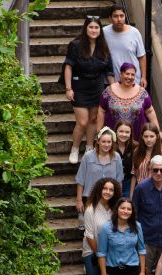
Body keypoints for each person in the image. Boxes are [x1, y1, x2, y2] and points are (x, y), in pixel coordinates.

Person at [58, 16, 112, 164]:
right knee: (82, 122)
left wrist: (113, 91)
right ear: (86, 29)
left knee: (93, 119)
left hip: (97, 87)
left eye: (96, 28)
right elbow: (68, 66)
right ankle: (75, 148)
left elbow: (109, 71)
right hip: (79, 87)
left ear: (100, 30)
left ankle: (89, 148)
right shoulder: (75, 45)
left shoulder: (104, 47)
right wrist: (68, 88)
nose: (94, 30)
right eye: (91, 27)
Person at [132, 155, 162, 275]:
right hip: (147, 240)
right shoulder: (141, 188)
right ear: (150, 169)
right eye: (155, 170)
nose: (158, 173)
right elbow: (134, 214)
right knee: (144, 274)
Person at [82, 177, 121, 275]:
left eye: (111, 189)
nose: (108, 192)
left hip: (109, 251)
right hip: (92, 251)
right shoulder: (91, 208)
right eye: (105, 188)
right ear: (99, 189)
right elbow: (89, 235)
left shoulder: (114, 209)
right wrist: (99, 255)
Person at [96, 62, 162, 142]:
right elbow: (101, 111)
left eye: (132, 75)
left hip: (137, 138)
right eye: (127, 74)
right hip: (113, 140)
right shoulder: (108, 92)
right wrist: (99, 131)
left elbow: (150, 111)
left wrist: (158, 131)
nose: (130, 77)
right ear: (120, 74)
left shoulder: (142, 92)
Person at [75, 127, 123, 229]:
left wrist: (118, 200)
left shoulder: (116, 157)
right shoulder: (88, 156)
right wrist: (79, 200)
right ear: (98, 142)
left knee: (107, 227)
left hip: (110, 198)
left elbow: (119, 180)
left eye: (109, 142)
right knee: (90, 228)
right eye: (104, 141)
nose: (106, 145)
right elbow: (80, 179)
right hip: (90, 198)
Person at [103, 5, 147, 88]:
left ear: (125, 17)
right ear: (110, 18)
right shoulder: (104, 32)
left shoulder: (134, 32)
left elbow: (142, 56)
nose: (119, 19)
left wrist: (143, 77)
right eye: (115, 16)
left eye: (121, 16)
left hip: (133, 80)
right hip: (112, 81)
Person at [130, 123, 162, 194]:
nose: (148, 139)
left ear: (157, 136)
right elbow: (134, 175)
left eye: (151, 136)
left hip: (156, 193)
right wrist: (131, 196)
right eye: (146, 136)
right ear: (142, 137)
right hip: (140, 192)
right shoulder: (137, 152)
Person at [114, 120, 136, 198]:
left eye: (127, 132)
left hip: (129, 183)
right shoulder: (109, 146)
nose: (124, 134)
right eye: (121, 131)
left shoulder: (135, 147)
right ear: (116, 131)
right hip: (113, 182)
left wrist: (131, 193)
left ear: (131, 134)